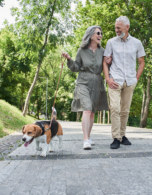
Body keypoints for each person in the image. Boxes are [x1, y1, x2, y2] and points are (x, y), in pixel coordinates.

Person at [62, 26, 109, 150]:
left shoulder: (103, 51)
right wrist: (69, 59)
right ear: (91, 35)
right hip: (83, 83)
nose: (100, 35)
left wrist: (109, 62)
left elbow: (106, 66)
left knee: (92, 112)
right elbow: (76, 67)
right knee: (87, 109)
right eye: (98, 33)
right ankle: (85, 139)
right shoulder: (81, 51)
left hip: (97, 83)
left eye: (101, 33)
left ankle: (88, 135)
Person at [103, 16, 145, 149]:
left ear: (127, 27)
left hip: (130, 81)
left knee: (125, 110)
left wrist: (135, 79)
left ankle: (122, 135)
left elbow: (142, 62)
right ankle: (116, 137)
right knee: (115, 108)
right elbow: (105, 61)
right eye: (115, 28)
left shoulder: (137, 43)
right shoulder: (111, 42)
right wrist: (108, 79)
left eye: (118, 28)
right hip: (115, 80)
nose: (116, 30)